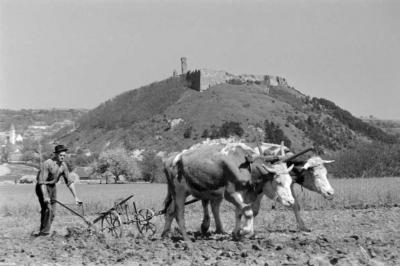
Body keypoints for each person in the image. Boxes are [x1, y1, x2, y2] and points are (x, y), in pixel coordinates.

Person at [34, 144, 82, 236]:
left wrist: (76, 197)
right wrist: (45, 196)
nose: (62, 157)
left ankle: (43, 231)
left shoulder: (63, 166)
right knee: (47, 208)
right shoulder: (47, 163)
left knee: (52, 212)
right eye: (61, 155)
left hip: (52, 187)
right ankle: (44, 233)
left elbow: (69, 182)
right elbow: (42, 182)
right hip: (42, 187)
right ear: (56, 154)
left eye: (64, 155)